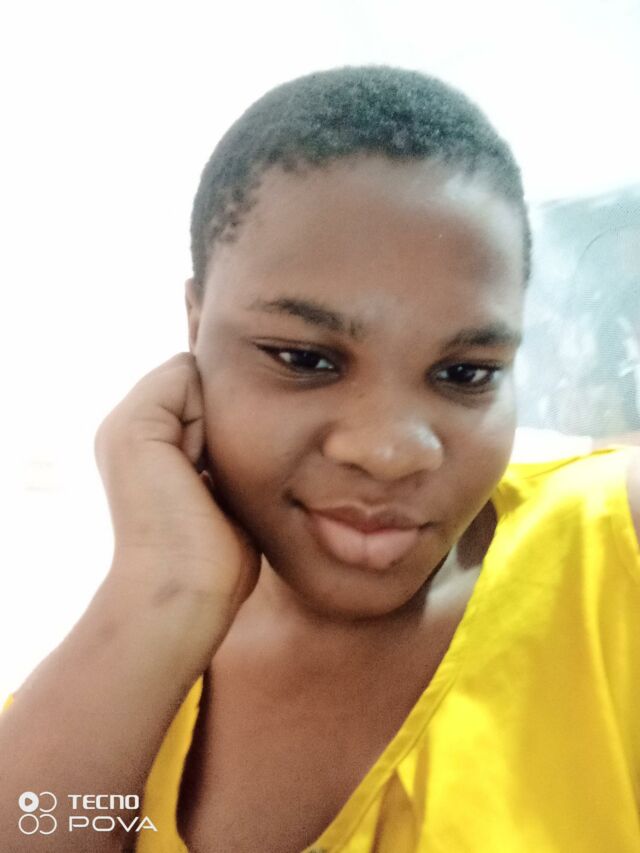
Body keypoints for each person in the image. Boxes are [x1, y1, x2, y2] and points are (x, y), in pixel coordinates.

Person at [1, 66, 639, 853]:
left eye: (466, 372)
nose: (390, 452)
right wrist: (162, 592)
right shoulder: (123, 675)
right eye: (305, 359)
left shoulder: (611, 557)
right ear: (195, 323)